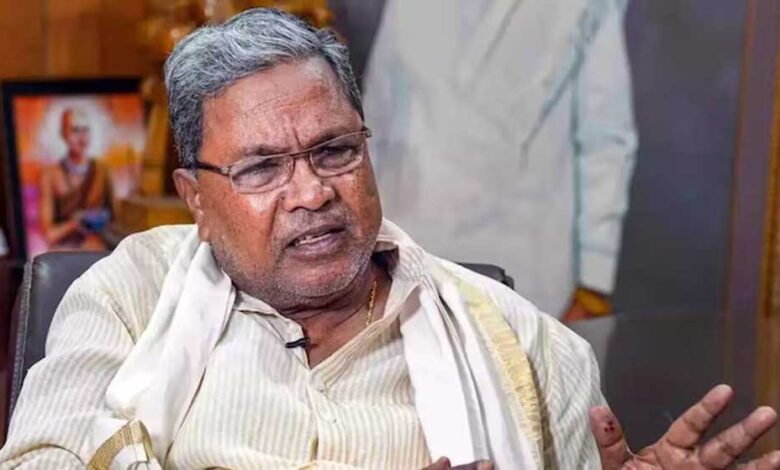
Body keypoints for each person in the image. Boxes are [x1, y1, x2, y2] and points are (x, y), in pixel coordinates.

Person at [0, 8, 777, 470]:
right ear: (196, 197)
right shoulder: (129, 295)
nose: (313, 193)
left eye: (335, 151)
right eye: (263, 168)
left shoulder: (525, 346)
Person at [362, 0, 637, 322]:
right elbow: (375, 120)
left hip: (524, 268)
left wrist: (594, 281)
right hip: (406, 257)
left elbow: (604, 139)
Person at [39, 108, 108, 251]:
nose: (82, 138)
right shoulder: (50, 174)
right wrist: (75, 223)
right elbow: (50, 235)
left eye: (85, 130)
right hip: (63, 253)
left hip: (98, 252)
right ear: (63, 134)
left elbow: (116, 223)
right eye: (75, 130)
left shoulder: (101, 170)